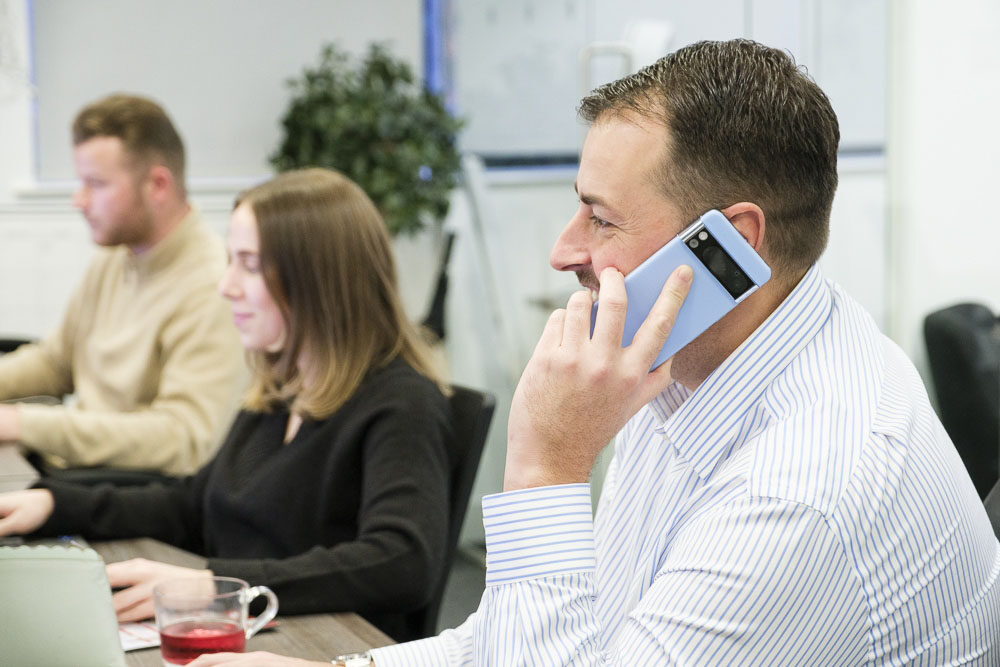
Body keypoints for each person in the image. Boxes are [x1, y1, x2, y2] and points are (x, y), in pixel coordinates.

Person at [188, 39, 1000, 666]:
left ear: (730, 247)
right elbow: (546, 631)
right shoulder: (694, 357)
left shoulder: (804, 487)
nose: (563, 249)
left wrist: (548, 463)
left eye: (600, 219)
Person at [0, 168, 455, 642]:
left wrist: (219, 586)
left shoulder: (402, 404)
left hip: (319, 645)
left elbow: (402, 561)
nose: (226, 285)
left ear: (318, 283)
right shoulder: (280, 392)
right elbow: (194, 506)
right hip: (255, 632)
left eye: (250, 265)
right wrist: (54, 503)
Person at [0, 93, 244, 476]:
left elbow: (186, 439)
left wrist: (21, 424)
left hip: (127, 499)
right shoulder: (116, 257)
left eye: (95, 184)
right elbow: (55, 363)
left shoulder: (213, 285)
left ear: (158, 185)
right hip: (75, 475)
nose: (78, 201)